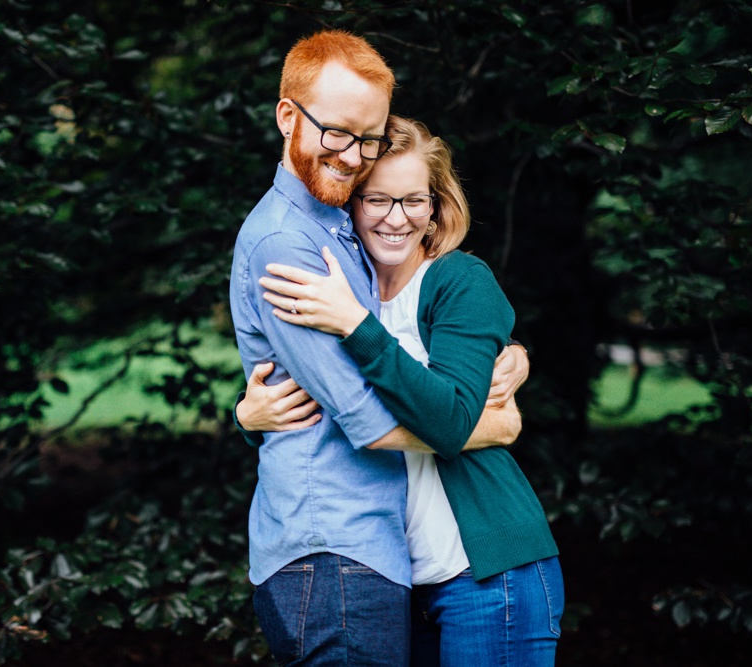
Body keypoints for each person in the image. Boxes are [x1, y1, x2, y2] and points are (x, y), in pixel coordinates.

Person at [229, 30, 528, 666]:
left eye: (368, 139)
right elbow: (363, 415)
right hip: (332, 549)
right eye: (336, 132)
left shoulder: (340, 230)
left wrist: (510, 358)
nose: (351, 155)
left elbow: (419, 335)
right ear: (288, 116)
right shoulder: (289, 246)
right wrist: (490, 423)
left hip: (379, 552)